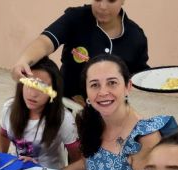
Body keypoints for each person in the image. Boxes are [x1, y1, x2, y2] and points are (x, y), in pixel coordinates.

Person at [62, 54, 178, 170]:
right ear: (87, 93)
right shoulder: (93, 120)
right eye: (94, 85)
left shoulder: (144, 138)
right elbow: (88, 164)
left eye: (112, 83)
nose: (103, 92)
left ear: (128, 86)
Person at [12, 0, 149, 105]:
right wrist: (24, 60)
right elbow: (45, 42)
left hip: (109, 112)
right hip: (66, 104)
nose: (102, 6)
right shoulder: (76, 18)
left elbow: (140, 75)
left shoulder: (136, 37)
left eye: (111, 0)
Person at [0, 57, 82, 169]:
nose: (33, 94)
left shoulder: (63, 118)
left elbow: (76, 158)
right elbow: (3, 135)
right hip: (16, 168)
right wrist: (1, 164)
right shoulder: (9, 107)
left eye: (42, 87)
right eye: (29, 83)